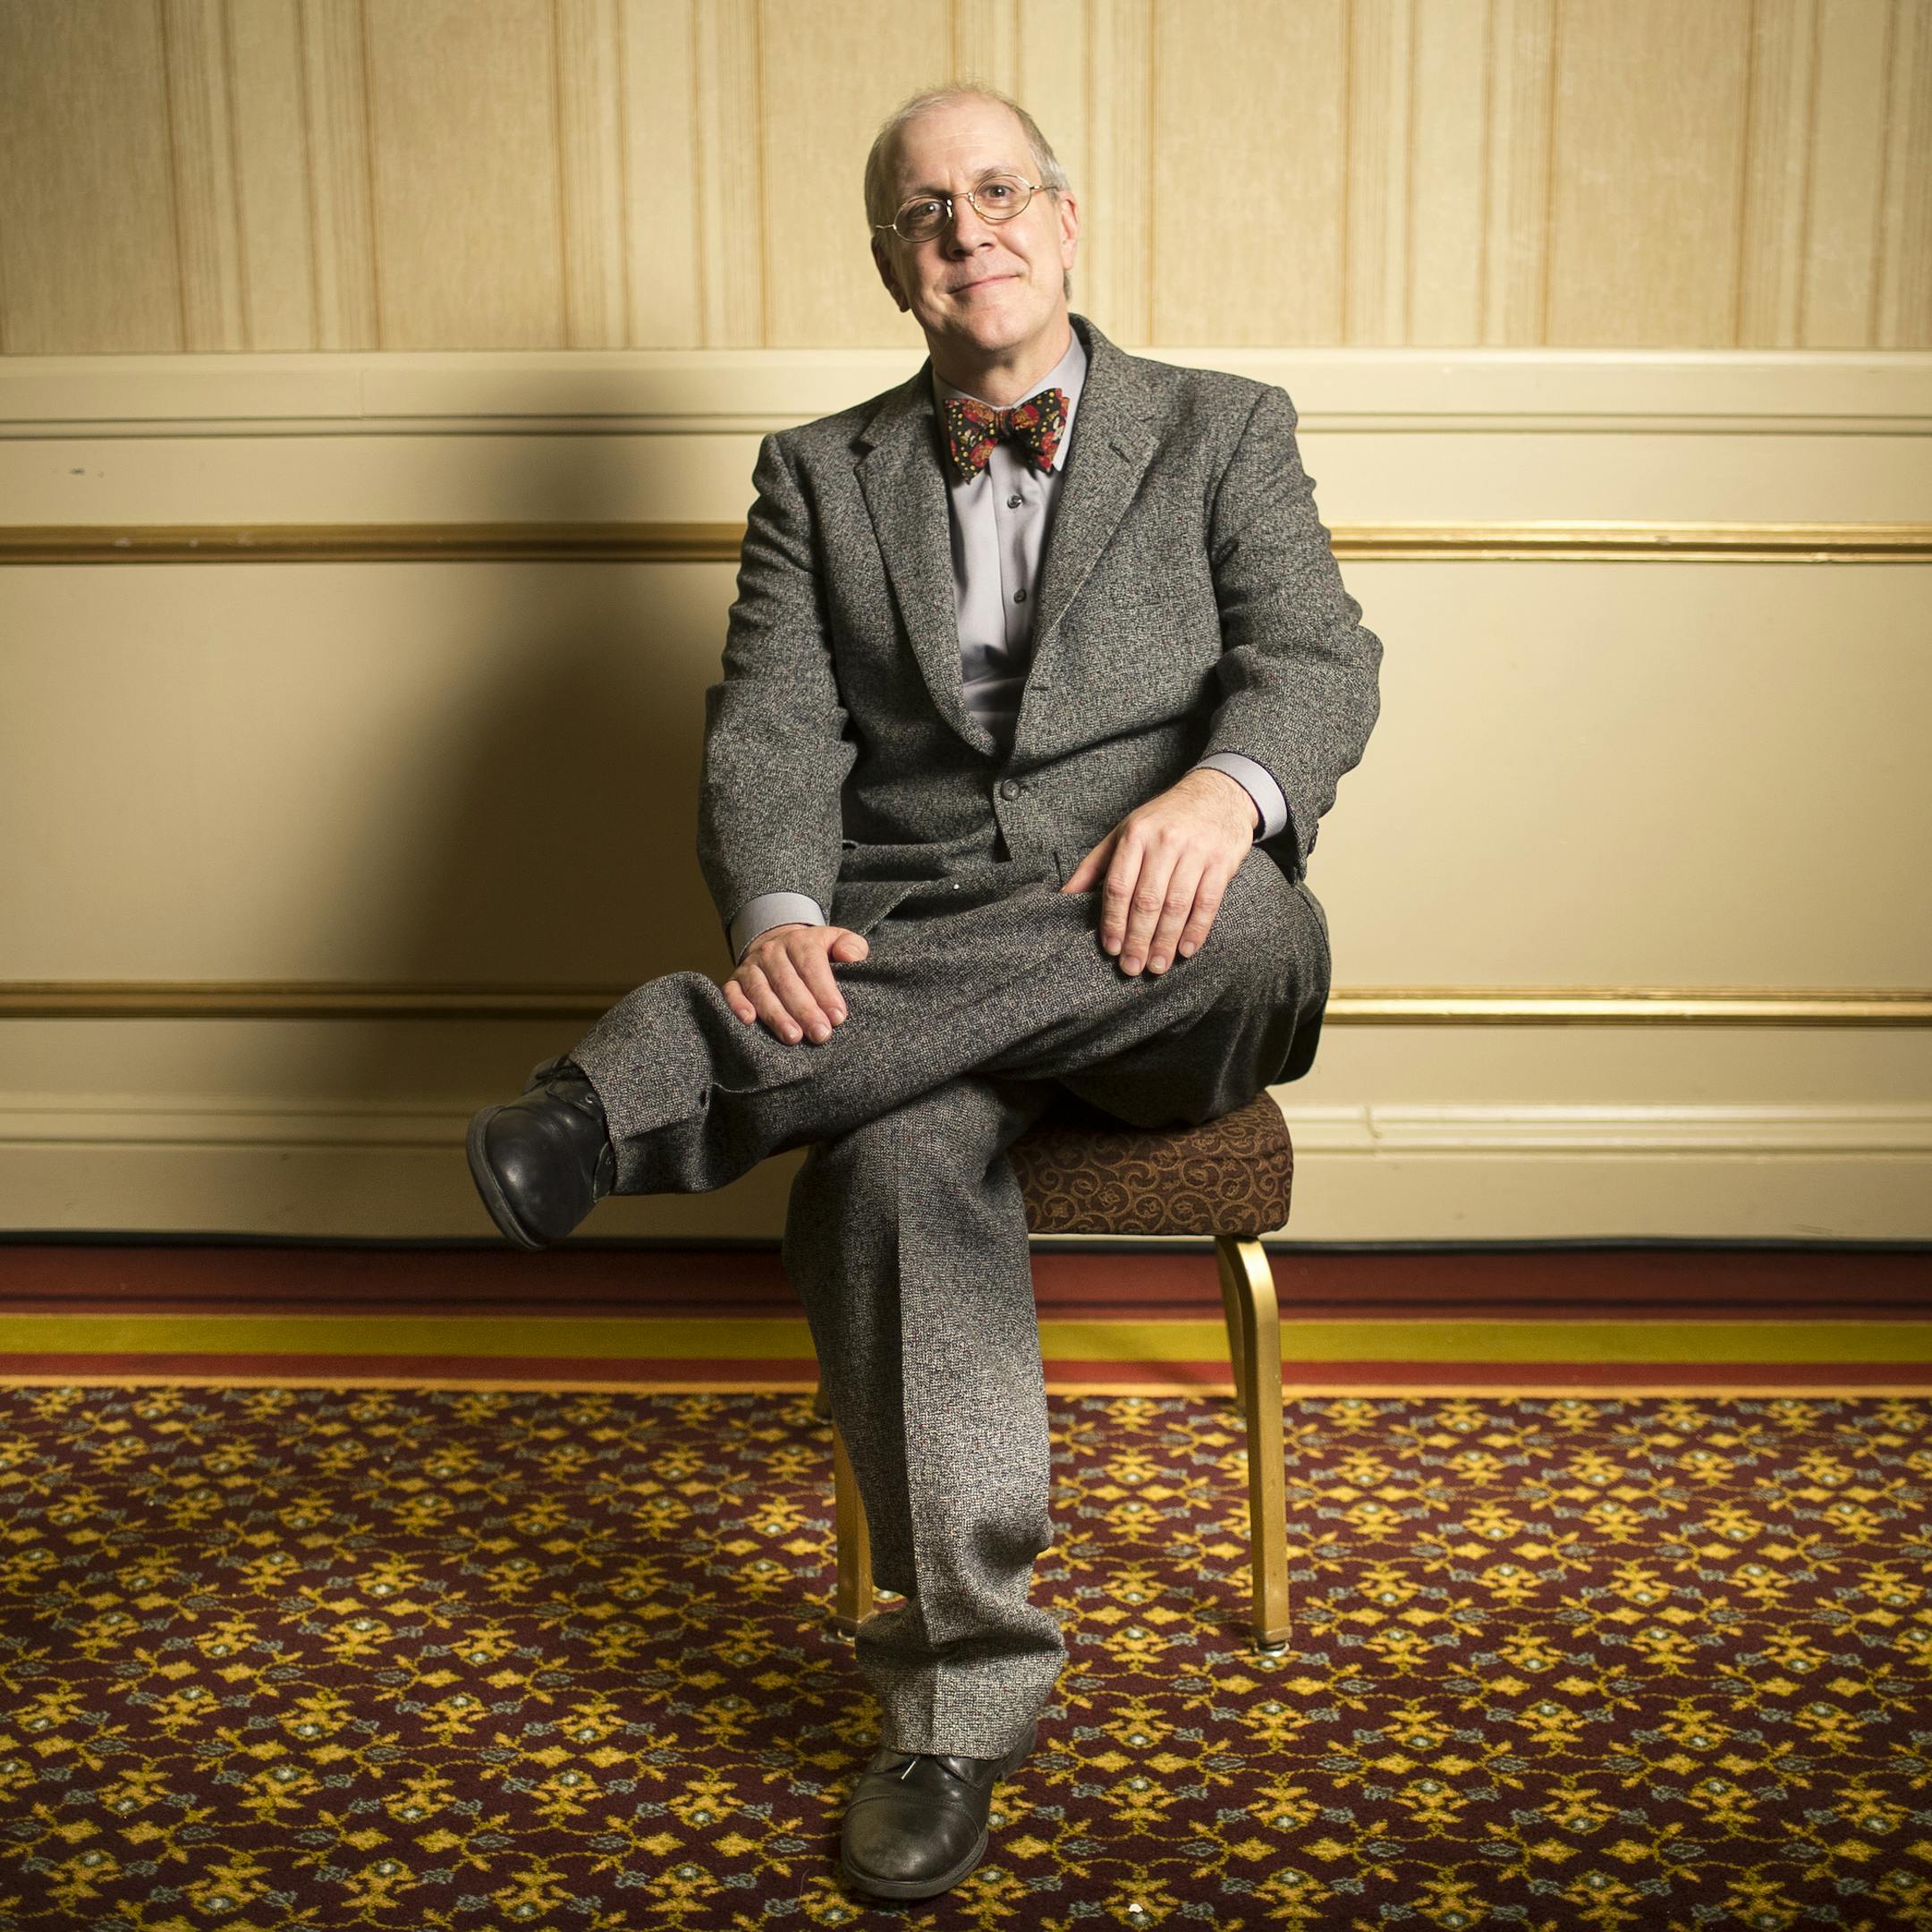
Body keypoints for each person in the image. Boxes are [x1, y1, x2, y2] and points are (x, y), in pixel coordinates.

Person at [466, 84, 1382, 1903]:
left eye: (999, 190)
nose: (970, 226)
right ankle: (954, 1708)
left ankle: (651, 1091)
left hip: (1173, 958)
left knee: (1246, 919)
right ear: (893, 263)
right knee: (878, 1171)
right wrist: (788, 908)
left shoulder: (1223, 428)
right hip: (912, 968)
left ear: (1064, 216)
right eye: (925, 210)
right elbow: (775, 728)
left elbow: (1318, 660)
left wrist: (1221, 796)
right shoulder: (817, 473)